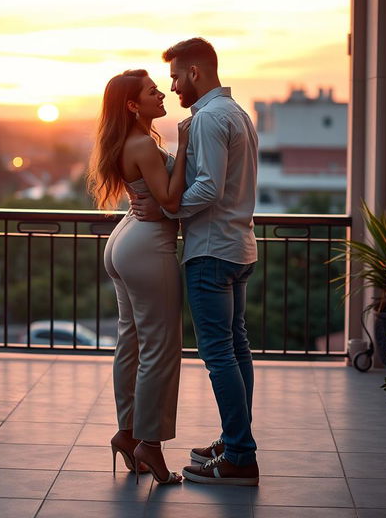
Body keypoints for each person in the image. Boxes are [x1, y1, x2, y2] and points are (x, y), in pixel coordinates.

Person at [132, 38, 260, 486]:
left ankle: (241, 456)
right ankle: (235, 439)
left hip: (210, 251)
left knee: (219, 353)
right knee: (236, 348)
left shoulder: (207, 118)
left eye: (174, 77)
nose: (172, 86)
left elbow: (208, 187)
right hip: (238, 247)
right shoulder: (238, 114)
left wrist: (167, 209)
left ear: (194, 73)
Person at [87, 69, 192, 485]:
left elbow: (156, 199)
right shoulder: (143, 144)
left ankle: (128, 434)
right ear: (133, 105)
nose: (161, 93)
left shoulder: (127, 142)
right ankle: (151, 443)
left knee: (131, 342)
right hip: (147, 246)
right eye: (152, 91)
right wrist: (183, 149)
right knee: (160, 349)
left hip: (125, 241)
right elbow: (169, 199)